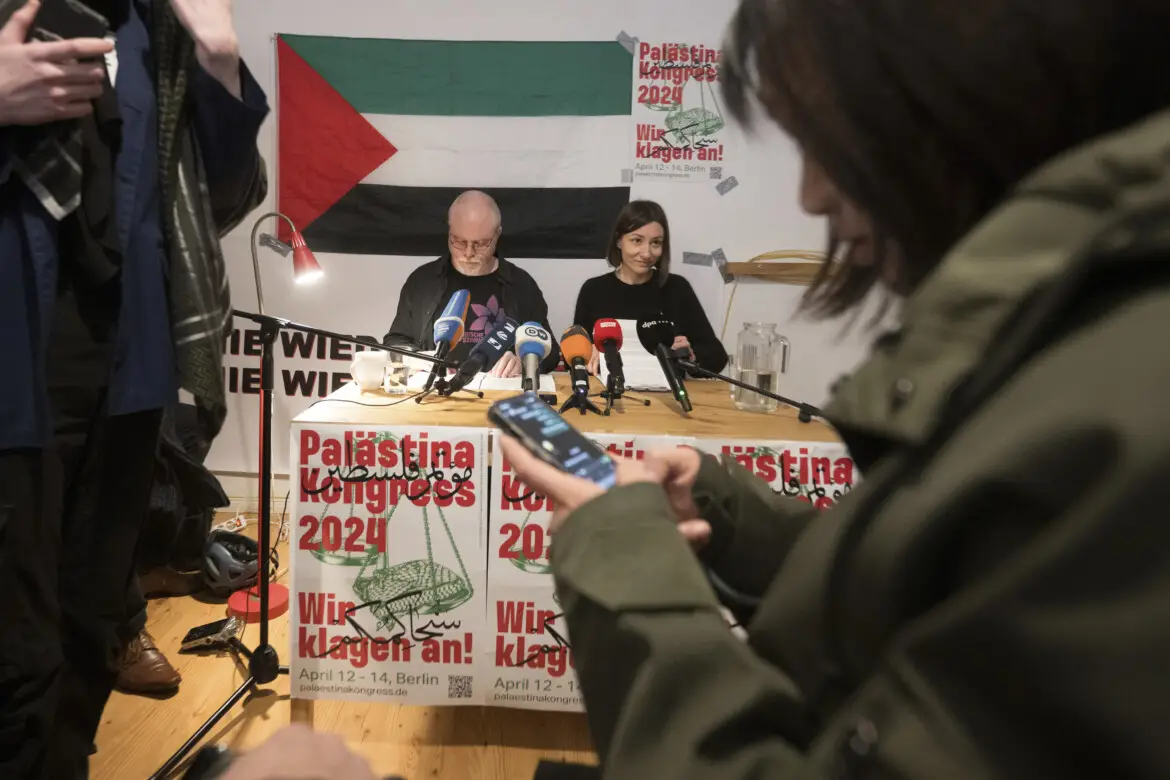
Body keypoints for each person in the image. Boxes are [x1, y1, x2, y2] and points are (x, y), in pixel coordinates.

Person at [500, 0, 1170, 778]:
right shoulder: (1064, 343)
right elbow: (906, 585)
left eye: (826, 144)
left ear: (963, 104)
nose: (812, 197)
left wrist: (626, 561)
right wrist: (728, 512)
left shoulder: (1121, 419)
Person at [0, 0, 268, 776]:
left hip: (128, 375)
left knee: (90, 632)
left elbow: (221, 201)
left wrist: (219, 55)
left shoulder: (155, 31)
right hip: (18, 372)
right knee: (16, 658)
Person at [383, 190, 560, 378]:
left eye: (480, 244)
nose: (468, 253)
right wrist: (415, 358)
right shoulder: (422, 281)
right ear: (449, 232)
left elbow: (551, 355)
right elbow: (395, 341)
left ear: (497, 235)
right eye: (459, 241)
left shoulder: (521, 285)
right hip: (435, 391)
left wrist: (524, 361)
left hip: (500, 392)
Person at [573, 199, 727, 376]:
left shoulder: (677, 288)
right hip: (608, 390)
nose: (647, 253)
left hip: (669, 391)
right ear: (619, 241)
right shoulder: (593, 290)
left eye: (656, 243)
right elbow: (574, 358)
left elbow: (717, 358)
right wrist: (585, 355)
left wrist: (689, 354)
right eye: (637, 240)